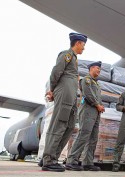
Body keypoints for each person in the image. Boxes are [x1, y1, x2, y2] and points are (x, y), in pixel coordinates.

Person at [41, 32, 87, 172]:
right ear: (78, 43)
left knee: (69, 126)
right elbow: (55, 72)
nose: (84, 48)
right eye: (83, 45)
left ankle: (52, 157)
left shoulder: (74, 59)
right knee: (59, 125)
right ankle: (48, 160)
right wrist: (52, 90)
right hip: (64, 95)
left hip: (71, 97)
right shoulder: (66, 55)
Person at [65, 61, 105, 171]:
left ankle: (87, 162)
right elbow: (88, 94)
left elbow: (97, 96)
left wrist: (100, 106)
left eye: (100, 69)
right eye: (97, 68)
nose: (99, 70)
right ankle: (71, 160)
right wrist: (98, 105)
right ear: (91, 68)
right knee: (83, 135)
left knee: (93, 138)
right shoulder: (86, 80)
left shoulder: (97, 83)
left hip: (96, 112)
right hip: (88, 110)